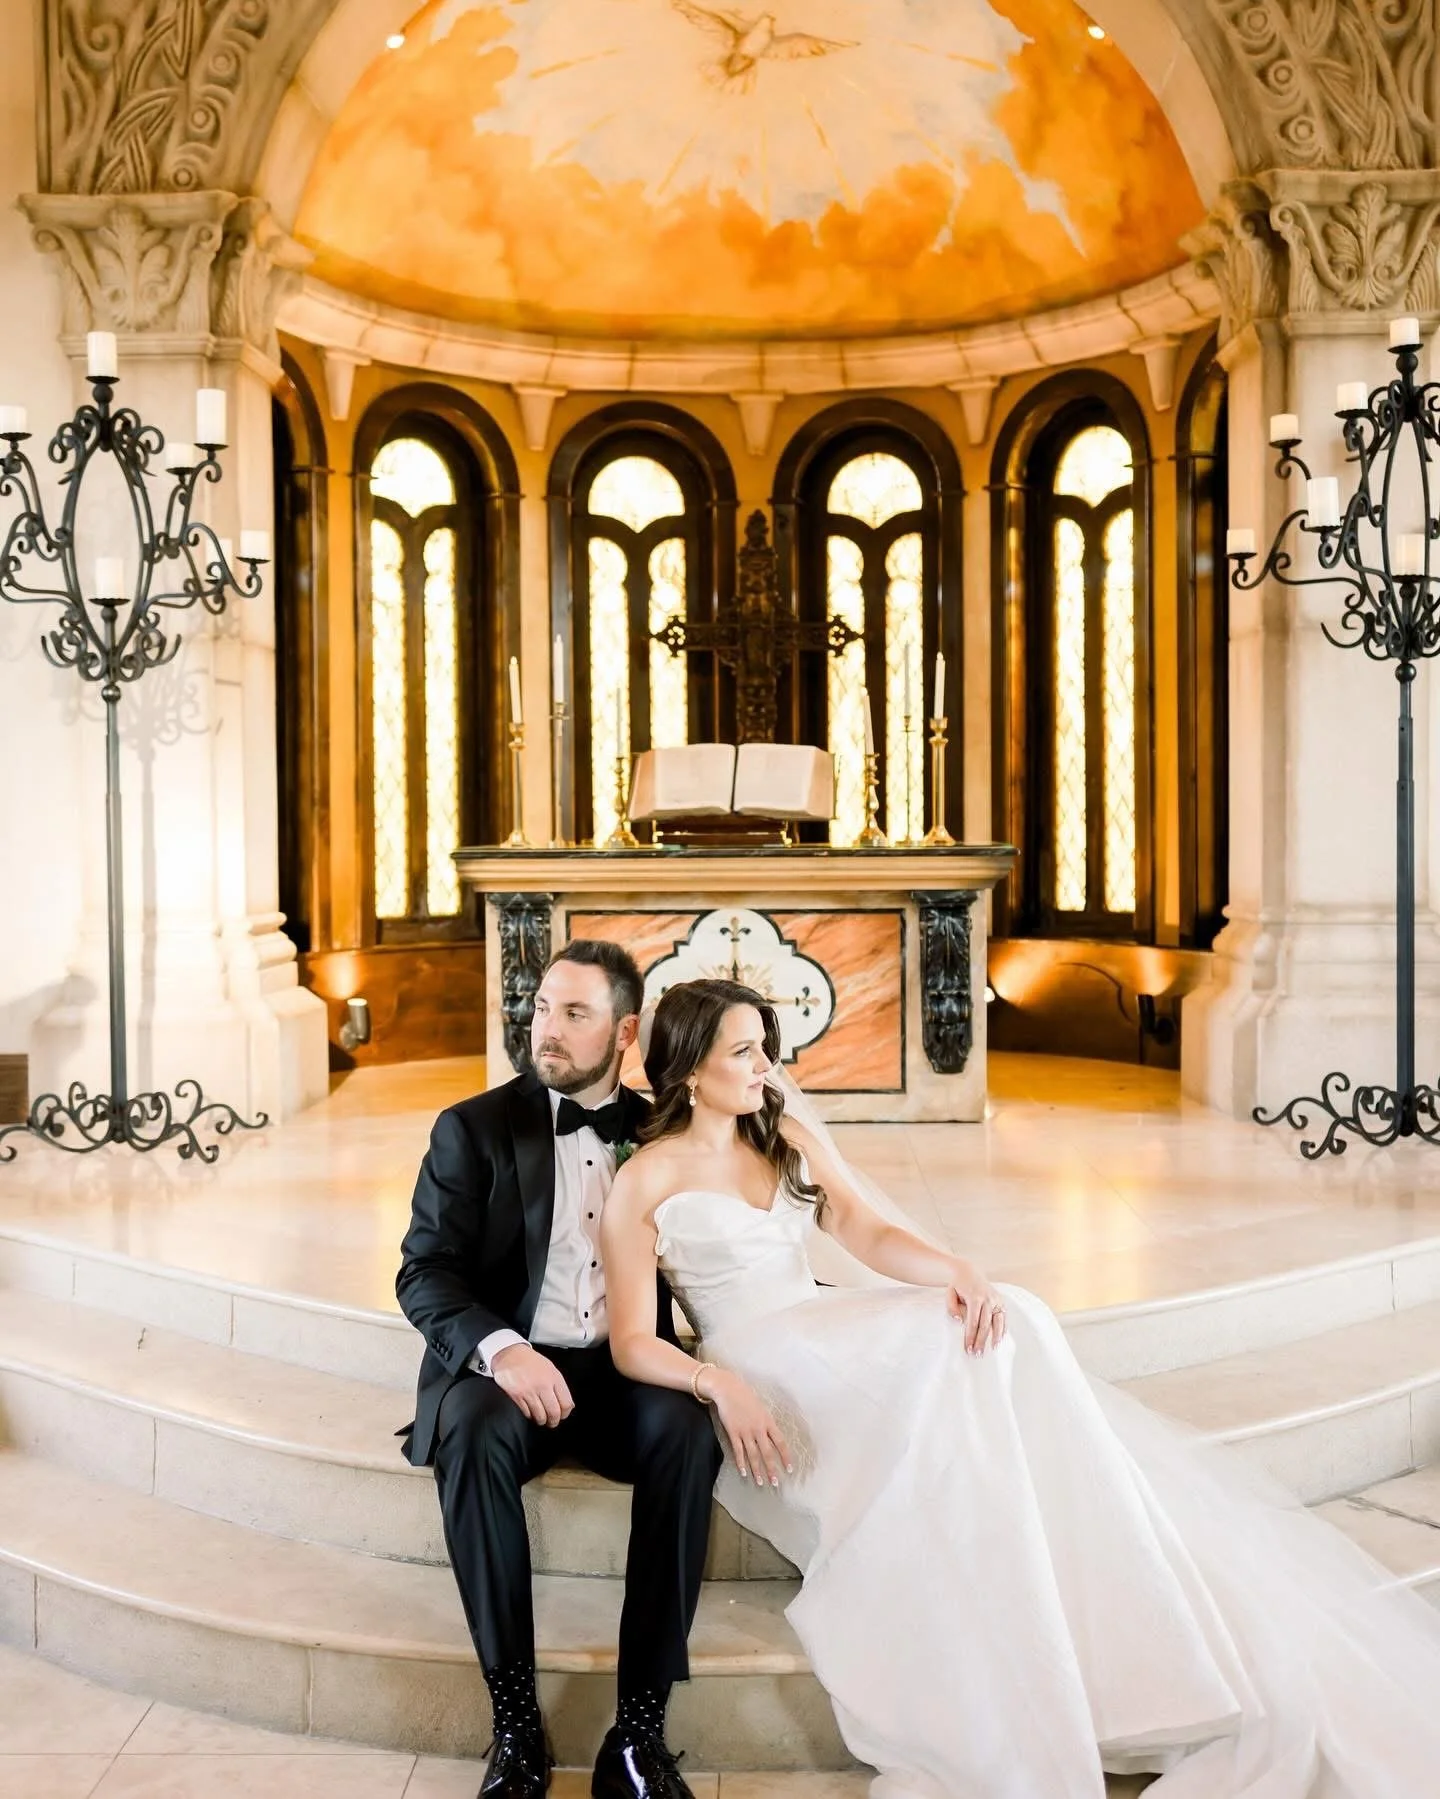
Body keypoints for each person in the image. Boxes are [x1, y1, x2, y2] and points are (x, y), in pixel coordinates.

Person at [601, 976, 1440, 1799]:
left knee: (1017, 1317)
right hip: (757, 1360)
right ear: (687, 1068)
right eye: (745, 1051)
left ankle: (1072, 1587)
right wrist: (715, 1382)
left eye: (765, 1049)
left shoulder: (780, 1138)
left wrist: (957, 1269)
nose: (766, 1067)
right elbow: (635, 1340)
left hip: (817, 1329)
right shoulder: (646, 1178)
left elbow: (863, 1226)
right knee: (944, 1363)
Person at [397, 941, 722, 1799]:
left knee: (689, 1431)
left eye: (574, 1013)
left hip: (620, 1369)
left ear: (623, 1032)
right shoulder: (472, 1128)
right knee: (467, 1430)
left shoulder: (661, 1129)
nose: (546, 1027)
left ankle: (637, 1735)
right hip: (512, 1371)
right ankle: (514, 1726)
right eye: (542, 1006)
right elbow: (424, 1271)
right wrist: (503, 1351)